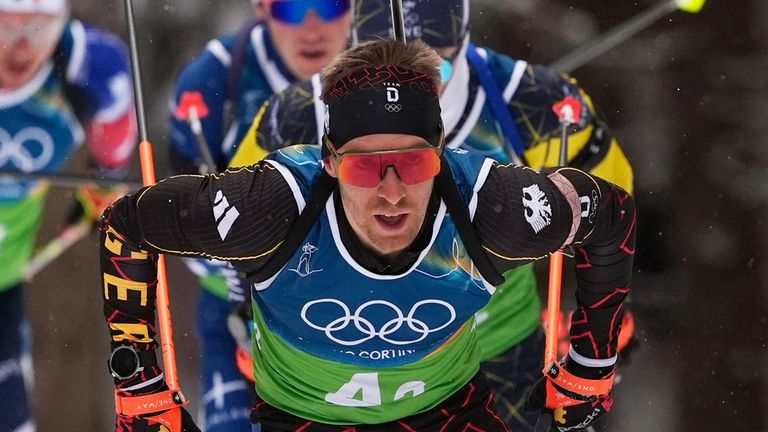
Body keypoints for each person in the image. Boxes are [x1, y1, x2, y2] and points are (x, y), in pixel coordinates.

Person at [101, 39, 635, 432]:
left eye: (414, 161)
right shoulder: (271, 205)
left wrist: (591, 366)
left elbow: (611, 215)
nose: (392, 192)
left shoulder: (487, 205)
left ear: (442, 152)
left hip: (447, 416)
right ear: (330, 160)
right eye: (364, 168)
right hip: (306, 419)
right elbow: (127, 225)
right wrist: (140, 383)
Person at [166, 0, 352, 430]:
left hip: (343, 308)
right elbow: (183, 219)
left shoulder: (384, 73)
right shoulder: (212, 80)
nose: (312, 27)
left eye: (330, 6)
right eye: (291, 8)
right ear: (262, 8)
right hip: (236, 306)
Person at [0, 0, 137, 430]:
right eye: (5, 27)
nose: (22, 46)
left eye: (39, 27)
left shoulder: (88, 67)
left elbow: (114, 157)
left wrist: (102, 192)